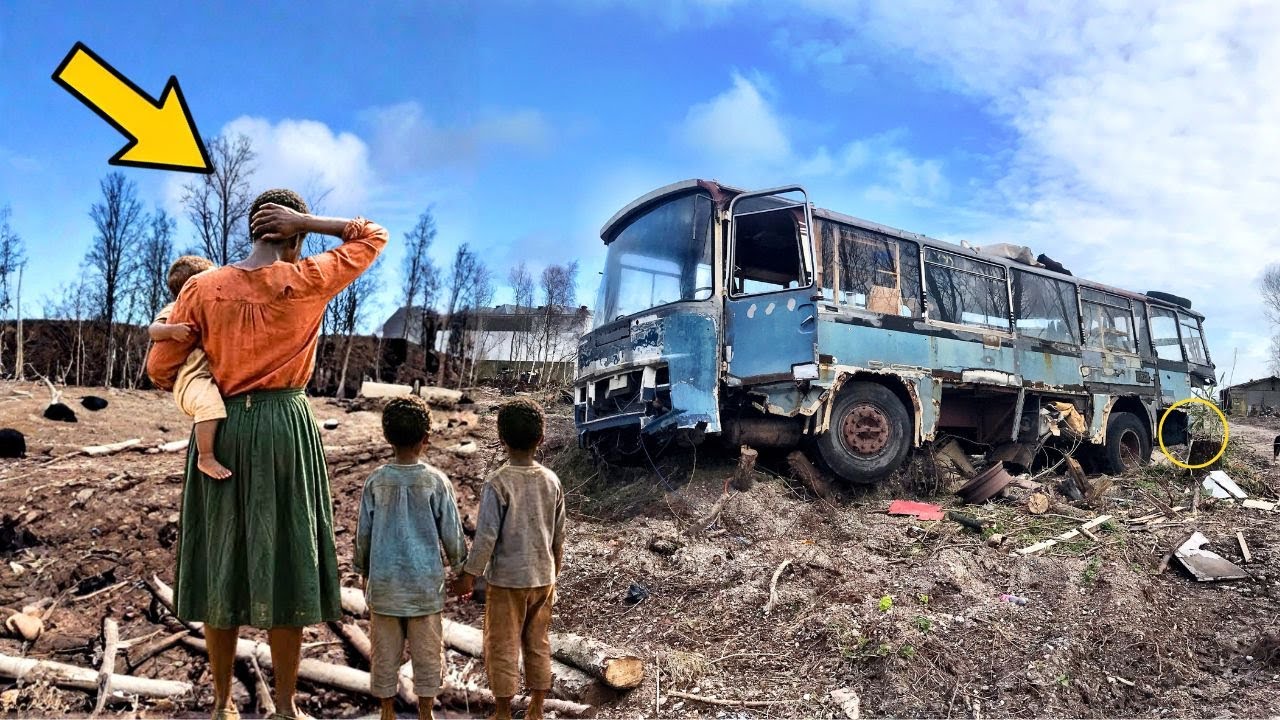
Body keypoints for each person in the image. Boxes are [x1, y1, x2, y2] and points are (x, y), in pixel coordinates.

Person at [146, 188, 387, 720]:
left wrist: (203, 352)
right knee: (287, 560)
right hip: (286, 429)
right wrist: (309, 220)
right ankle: (284, 707)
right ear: (293, 232)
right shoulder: (310, 279)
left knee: (219, 561)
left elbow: (161, 370)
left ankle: (223, 704)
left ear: (252, 229)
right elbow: (373, 234)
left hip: (223, 428)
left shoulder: (202, 288)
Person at [355, 395, 467, 720]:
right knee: (428, 655)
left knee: (384, 655)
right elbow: (453, 534)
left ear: (387, 438)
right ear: (426, 439)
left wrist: (363, 572)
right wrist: (462, 570)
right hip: (424, 589)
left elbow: (363, 533)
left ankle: (387, 711)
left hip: (386, 587)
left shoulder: (375, 482)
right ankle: (426, 712)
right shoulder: (435, 482)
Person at [453, 398, 566, 720]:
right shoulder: (551, 481)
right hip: (543, 579)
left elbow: (486, 537)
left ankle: (502, 711)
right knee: (538, 643)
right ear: (541, 439)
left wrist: (469, 574)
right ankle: (536, 709)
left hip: (506, 582)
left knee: (501, 646)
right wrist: (554, 574)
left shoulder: (498, 482)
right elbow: (558, 537)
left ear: (501, 440)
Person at [148, 255, 231, 480]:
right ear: (191, 288)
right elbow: (153, 329)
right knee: (209, 405)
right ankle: (205, 457)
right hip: (191, 378)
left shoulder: (213, 308)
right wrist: (171, 331)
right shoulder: (174, 308)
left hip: (206, 373)